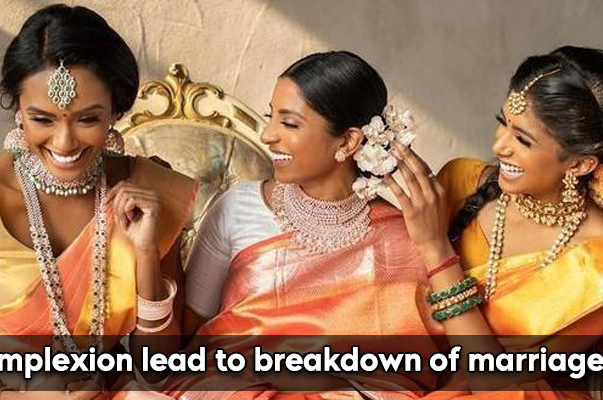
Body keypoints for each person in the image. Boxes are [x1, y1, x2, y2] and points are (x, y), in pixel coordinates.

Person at [0, 5, 197, 399]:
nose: (64, 142)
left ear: (115, 111)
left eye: (87, 119)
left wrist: (146, 253)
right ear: (18, 111)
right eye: (43, 119)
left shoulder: (147, 192)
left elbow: (158, 370)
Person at [135, 51, 446, 399]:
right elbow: (189, 344)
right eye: (271, 117)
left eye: (290, 124)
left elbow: (411, 371)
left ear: (348, 141)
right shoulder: (238, 207)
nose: (267, 135)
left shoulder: (403, 234)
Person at [389, 46, 603, 399]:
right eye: (503, 123)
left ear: (579, 164)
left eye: (523, 140)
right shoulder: (462, 182)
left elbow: (495, 384)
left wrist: (436, 249)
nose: (499, 146)